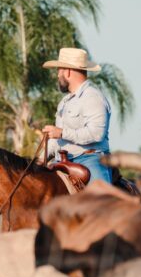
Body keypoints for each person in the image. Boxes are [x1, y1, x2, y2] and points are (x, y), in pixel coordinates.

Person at [41, 47, 112, 184]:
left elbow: (96, 134)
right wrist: (39, 158)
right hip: (61, 160)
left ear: (67, 72)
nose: (57, 75)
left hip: (89, 159)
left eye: (59, 70)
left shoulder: (93, 97)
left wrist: (62, 133)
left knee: (99, 201)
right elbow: (57, 141)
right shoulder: (64, 102)